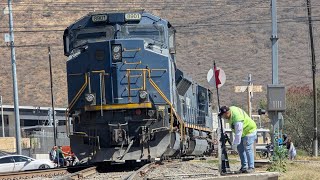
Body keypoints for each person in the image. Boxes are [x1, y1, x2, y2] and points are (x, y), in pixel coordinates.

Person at [219, 106, 257, 173]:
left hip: (249, 130)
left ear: (227, 113)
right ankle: (244, 167)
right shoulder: (231, 111)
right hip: (243, 132)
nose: (223, 117)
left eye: (223, 115)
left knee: (247, 147)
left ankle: (251, 167)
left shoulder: (237, 118)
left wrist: (235, 143)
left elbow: (238, 132)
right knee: (240, 148)